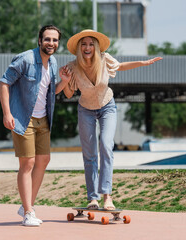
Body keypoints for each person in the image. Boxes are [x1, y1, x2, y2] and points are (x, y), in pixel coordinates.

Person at [57, 29, 162, 210]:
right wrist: (65, 80)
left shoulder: (105, 59)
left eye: (91, 44)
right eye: (84, 44)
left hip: (107, 106)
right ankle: (93, 198)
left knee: (106, 145)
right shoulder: (72, 67)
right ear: (79, 48)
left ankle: (107, 196)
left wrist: (142, 63)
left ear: (96, 47)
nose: (87, 47)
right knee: (89, 154)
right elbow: (68, 94)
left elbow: (121, 66)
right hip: (86, 110)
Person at [0, 24, 64, 227]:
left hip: (43, 119)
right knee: (27, 163)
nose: (51, 43)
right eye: (47, 39)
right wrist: (7, 113)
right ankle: (28, 212)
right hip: (22, 118)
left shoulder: (53, 63)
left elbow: (49, 92)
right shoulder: (25, 59)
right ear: (39, 40)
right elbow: (3, 83)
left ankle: (27, 205)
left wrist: (65, 81)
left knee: (43, 160)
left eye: (54, 40)